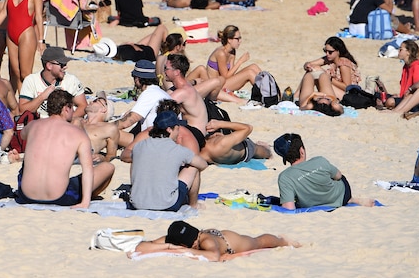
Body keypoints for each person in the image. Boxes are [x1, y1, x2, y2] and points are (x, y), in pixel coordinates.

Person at [15, 89, 115, 208]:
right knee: (108, 167)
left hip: (26, 195)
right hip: (60, 197)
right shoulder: (78, 134)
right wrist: (85, 202)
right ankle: (86, 197)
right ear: (66, 108)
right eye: (72, 108)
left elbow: (22, 135)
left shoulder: (33, 126)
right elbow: (88, 169)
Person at [121, 110, 208, 211]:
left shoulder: (139, 146)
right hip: (167, 204)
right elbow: (203, 164)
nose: (178, 132)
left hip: (137, 203)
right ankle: (194, 205)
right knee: (193, 167)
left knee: (139, 161)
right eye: (177, 128)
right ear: (169, 129)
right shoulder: (177, 149)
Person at [273, 133, 373, 208]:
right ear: (301, 151)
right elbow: (338, 176)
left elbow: (289, 208)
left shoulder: (285, 177)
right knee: (336, 176)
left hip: (312, 204)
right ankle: (351, 200)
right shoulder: (320, 160)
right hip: (342, 196)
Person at [131, 220, 297, 262]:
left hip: (231, 242)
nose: (195, 244)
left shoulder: (205, 241)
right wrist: (167, 245)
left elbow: (214, 256)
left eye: (195, 240)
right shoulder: (172, 239)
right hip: (219, 236)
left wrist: (183, 251)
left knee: (258, 242)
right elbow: (140, 246)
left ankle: (283, 240)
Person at [18, 46, 87, 118]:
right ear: (49, 66)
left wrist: (65, 121)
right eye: (62, 64)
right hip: (41, 124)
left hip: (66, 124)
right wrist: (42, 97)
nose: (65, 67)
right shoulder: (31, 80)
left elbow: (83, 106)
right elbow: (22, 111)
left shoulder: (71, 80)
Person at [115, 60, 169, 139]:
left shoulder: (149, 93)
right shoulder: (161, 93)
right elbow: (139, 125)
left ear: (137, 79)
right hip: (164, 138)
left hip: (152, 141)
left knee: (110, 133)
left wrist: (105, 128)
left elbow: (128, 122)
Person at [203, 25, 261, 97]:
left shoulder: (232, 51)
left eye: (240, 38)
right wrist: (240, 61)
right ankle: (265, 96)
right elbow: (226, 76)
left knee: (253, 66)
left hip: (225, 82)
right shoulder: (221, 53)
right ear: (229, 40)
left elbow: (231, 75)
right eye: (237, 39)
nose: (240, 41)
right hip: (216, 88)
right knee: (249, 73)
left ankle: (272, 92)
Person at [297, 36, 361, 100]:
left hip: (347, 95)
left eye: (330, 52)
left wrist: (329, 79)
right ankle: (297, 95)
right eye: (325, 51)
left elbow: (347, 87)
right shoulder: (331, 58)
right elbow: (310, 64)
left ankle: (297, 96)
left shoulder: (343, 64)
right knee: (313, 69)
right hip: (335, 90)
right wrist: (307, 65)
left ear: (338, 51)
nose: (327, 54)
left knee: (318, 72)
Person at [164, 53, 208, 135]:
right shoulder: (183, 86)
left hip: (196, 135)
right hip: (192, 130)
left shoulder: (183, 92)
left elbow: (161, 107)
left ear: (177, 72)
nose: (164, 71)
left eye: (166, 68)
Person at [200, 119, 270, 165]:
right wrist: (220, 124)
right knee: (264, 151)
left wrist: (210, 138)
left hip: (230, 152)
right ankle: (267, 150)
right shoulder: (220, 144)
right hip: (246, 149)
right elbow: (248, 128)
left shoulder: (199, 155)